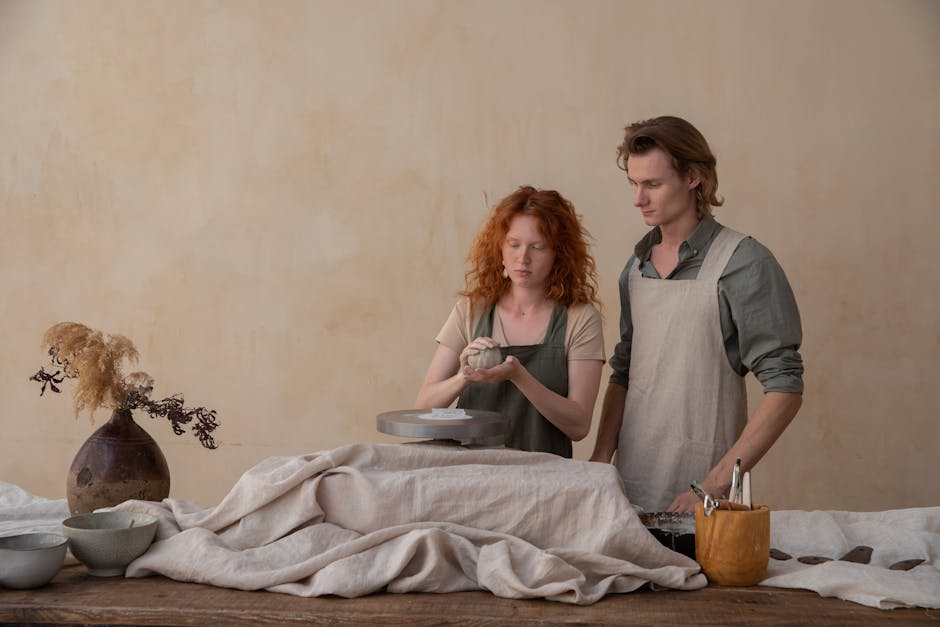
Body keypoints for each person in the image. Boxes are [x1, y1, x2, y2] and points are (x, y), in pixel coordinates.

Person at [590, 116, 804, 512]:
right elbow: (623, 373)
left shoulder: (744, 263)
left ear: (693, 177)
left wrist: (712, 487)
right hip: (627, 489)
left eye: (652, 184)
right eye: (634, 184)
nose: (638, 199)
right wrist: (600, 464)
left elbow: (785, 389)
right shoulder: (634, 269)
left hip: (705, 496)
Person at [415, 186, 605, 457]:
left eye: (537, 247)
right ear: (500, 248)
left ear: (558, 254)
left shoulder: (580, 318)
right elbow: (422, 409)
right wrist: (463, 377)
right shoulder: (471, 310)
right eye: (514, 244)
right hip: (471, 477)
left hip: (546, 481)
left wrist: (519, 376)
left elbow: (578, 425)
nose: (522, 258)